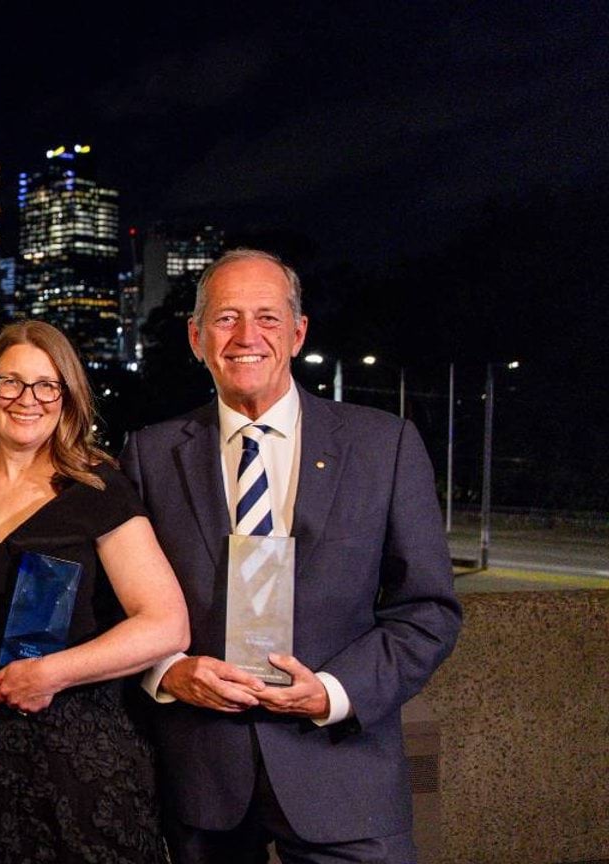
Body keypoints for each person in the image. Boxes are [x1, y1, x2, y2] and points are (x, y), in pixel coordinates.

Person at [119, 249, 462, 863]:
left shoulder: (384, 445)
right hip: (202, 782)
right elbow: (113, 606)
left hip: (345, 776)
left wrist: (333, 690)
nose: (246, 337)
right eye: (225, 319)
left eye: (268, 318)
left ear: (298, 332)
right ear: (196, 337)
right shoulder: (149, 455)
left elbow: (428, 610)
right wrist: (169, 672)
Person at [0, 321, 189, 863]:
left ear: (67, 396)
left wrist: (55, 672)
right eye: (11, 382)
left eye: (45, 385)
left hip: (83, 761)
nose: (27, 399)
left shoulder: (98, 489)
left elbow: (166, 623)